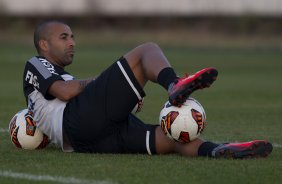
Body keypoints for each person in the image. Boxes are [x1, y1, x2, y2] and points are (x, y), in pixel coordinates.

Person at [23, 20, 273, 159]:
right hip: (79, 123)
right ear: (43, 44)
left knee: (173, 136)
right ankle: (175, 84)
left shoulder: (57, 74)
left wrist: (117, 94)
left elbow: (66, 96)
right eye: (64, 37)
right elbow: (66, 92)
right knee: (146, 51)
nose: (72, 42)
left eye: (72, 36)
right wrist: (101, 83)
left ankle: (217, 150)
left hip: (89, 141)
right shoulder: (36, 63)